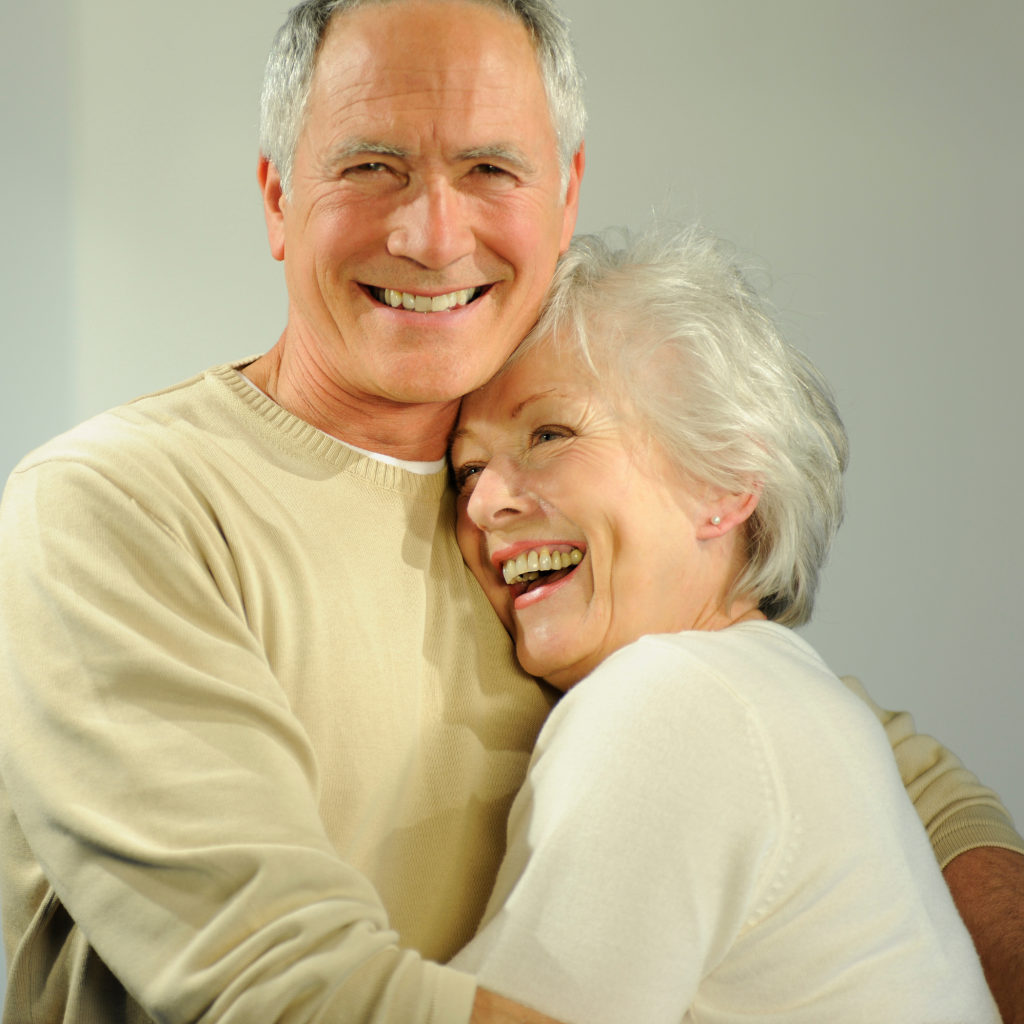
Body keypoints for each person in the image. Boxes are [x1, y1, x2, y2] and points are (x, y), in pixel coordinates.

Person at [0, 1, 1020, 1022]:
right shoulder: (118, 509)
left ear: (564, 197)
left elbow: (875, 773)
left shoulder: (566, 530)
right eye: (371, 166)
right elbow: (285, 986)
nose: (432, 236)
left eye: (489, 168)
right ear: (277, 197)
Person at [446, 226, 1000, 1020]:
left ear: (726, 480)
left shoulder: (671, 698)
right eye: (467, 469)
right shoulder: (782, 689)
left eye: (550, 434)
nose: (484, 503)